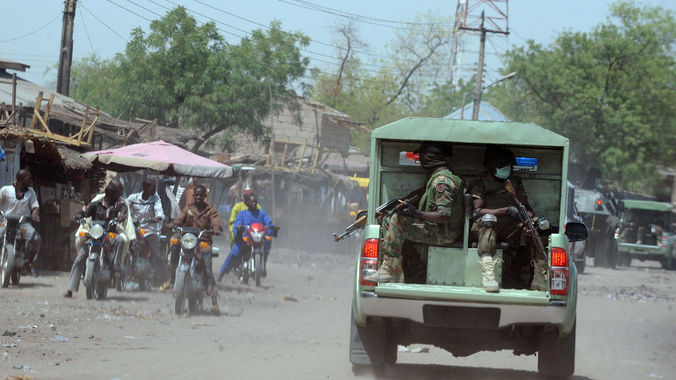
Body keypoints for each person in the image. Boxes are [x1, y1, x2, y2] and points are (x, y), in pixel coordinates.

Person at [364, 141, 464, 285]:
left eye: (422, 156)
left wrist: (417, 214)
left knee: (398, 221)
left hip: (444, 232)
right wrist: (401, 205)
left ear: (430, 157)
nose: (420, 160)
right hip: (437, 229)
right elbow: (421, 194)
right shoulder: (436, 178)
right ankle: (397, 271)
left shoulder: (442, 181)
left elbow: (444, 216)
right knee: (389, 220)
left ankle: (388, 269)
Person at [469, 146, 547, 291]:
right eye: (501, 165)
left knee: (537, 226)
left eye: (508, 165)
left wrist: (528, 218)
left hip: (510, 228)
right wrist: (503, 211)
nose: (506, 168)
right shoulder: (481, 182)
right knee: (489, 220)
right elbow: (477, 210)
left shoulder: (514, 182)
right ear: (492, 166)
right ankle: (488, 273)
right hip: (486, 228)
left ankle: (540, 276)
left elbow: (525, 205)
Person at [64, 179, 130, 298]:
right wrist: (79, 216)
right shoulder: (96, 205)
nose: (119, 196)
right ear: (112, 193)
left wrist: (120, 217)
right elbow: (84, 212)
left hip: (109, 235)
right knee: (79, 259)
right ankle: (70, 289)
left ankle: (116, 265)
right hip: (95, 235)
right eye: (118, 193)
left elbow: (123, 211)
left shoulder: (118, 204)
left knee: (120, 240)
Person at [168, 184, 223, 314]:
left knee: (208, 269)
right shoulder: (188, 208)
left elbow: (216, 223)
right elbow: (179, 219)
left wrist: (215, 229)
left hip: (203, 240)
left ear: (205, 196)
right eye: (196, 195)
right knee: (174, 246)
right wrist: (173, 224)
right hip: (188, 239)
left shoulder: (211, 210)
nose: (198, 197)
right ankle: (171, 279)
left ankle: (214, 301)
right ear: (194, 196)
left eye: (201, 195)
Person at [218, 192, 274, 281]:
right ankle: (222, 273)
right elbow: (237, 224)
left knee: (268, 242)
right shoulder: (242, 214)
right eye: (251, 202)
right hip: (245, 239)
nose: (253, 203)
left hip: (258, 239)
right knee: (234, 253)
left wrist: (271, 228)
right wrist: (239, 228)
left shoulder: (261, 213)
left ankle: (263, 266)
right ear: (246, 203)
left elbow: (268, 223)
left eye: (255, 201)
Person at [127, 178, 169, 289]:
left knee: (157, 253)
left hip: (148, 230)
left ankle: (162, 279)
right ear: (145, 188)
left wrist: (157, 217)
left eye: (155, 186)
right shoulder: (133, 198)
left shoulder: (155, 198)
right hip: (133, 229)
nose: (155, 189)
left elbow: (159, 211)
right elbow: (124, 206)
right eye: (152, 186)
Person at [0, 169, 41, 275]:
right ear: (21, 179)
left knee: (36, 238)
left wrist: (34, 214)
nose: (31, 180)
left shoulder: (31, 192)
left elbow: (35, 206)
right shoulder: (6, 190)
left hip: (22, 224)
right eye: (29, 177)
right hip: (5, 221)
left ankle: (29, 262)